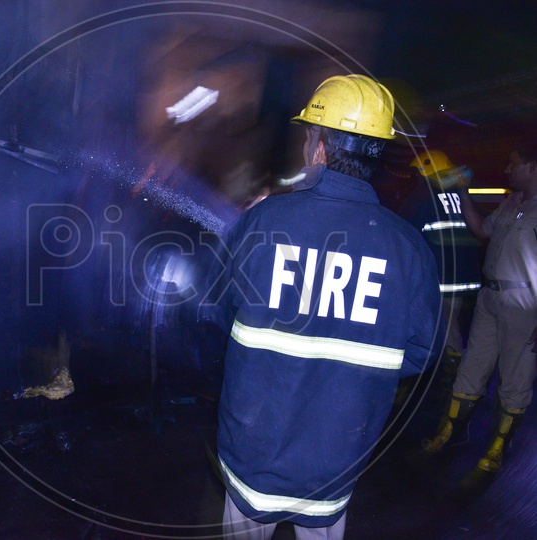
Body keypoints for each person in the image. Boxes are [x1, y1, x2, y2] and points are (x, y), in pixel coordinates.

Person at [201, 74, 443, 539]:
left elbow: (214, 311)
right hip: (334, 466)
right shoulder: (408, 249)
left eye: (310, 134)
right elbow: (420, 352)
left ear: (319, 148)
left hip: (253, 459)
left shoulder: (263, 222)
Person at [421, 140, 537, 482]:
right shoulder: (512, 203)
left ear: (533, 167)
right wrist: (464, 194)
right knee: (471, 370)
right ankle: (448, 434)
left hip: (525, 305)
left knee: (515, 381)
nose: (506, 170)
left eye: (513, 163)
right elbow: (480, 229)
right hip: (490, 297)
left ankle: (497, 449)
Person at [400, 150, 482, 397]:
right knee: (450, 327)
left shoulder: (422, 197)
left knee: (446, 332)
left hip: (442, 281)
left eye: (416, 174)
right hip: (467, 281)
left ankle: (451, 381)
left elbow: (406, 236)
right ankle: (448, 378)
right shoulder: (459, 195)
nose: (414, 179)